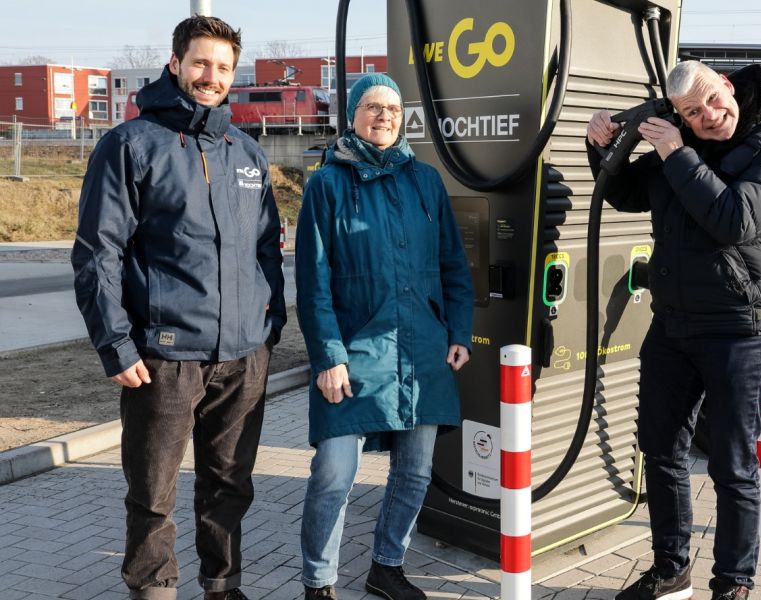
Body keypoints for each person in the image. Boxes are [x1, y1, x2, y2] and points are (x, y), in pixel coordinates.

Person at [70, 15, 285, 600]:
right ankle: (154, 590)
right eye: (200, 63)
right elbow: (97, 254)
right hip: (163, 360)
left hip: (243, 357)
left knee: (230, 485)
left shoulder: (246, 152)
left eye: (222, 67)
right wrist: (115, 344)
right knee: (152, 494)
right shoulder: (130, 145)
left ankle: (223, 587)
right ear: (175, 64)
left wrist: (271, 326)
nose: (210, 76)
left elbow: (267, 247)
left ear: (233, 74)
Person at [586, 61, 761, 600]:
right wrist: (601, 145)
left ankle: (732, 583)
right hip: (674, 326)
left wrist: (676, 152)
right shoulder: (676, 151)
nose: (709, 115)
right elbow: (623, 193)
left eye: (711, 100)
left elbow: (733, 219)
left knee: (733, 466)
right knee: (659, 449)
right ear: (679, 114)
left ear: (727, 87)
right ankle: (670, 567)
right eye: (691, 112)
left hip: (741, 330)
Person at [295, 73, 473, 600]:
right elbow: (314, 281)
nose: (384, 117)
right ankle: (318, 580)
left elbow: (453, 266)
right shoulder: (327, 185)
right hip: (351, 353)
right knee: (335, 471)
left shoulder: (426, 182)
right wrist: (328, 357)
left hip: (422, 347)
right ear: (352, 116)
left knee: (415, 470)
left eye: (393, 109)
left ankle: (387, 566)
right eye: (372, 107)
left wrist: (458, 330)